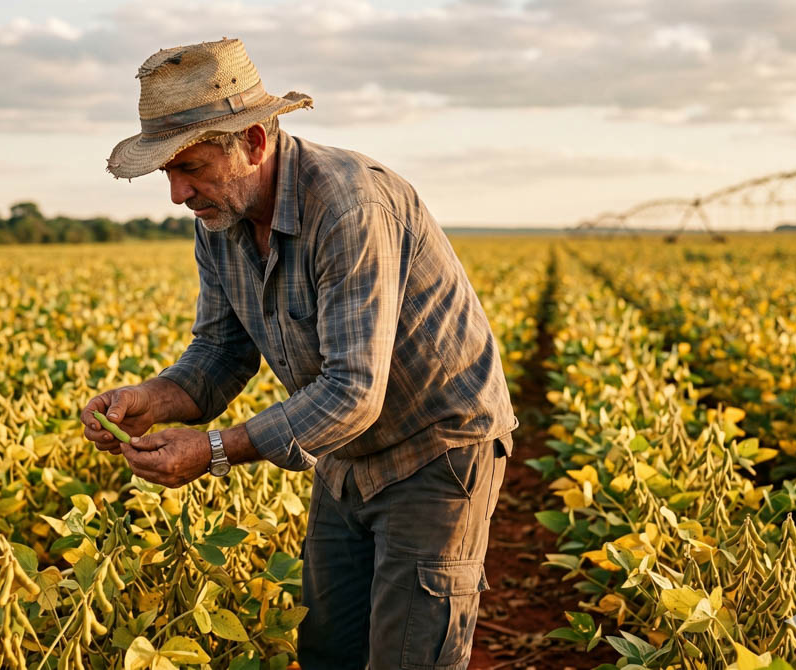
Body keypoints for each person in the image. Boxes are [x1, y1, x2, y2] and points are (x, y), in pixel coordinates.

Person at [80, 37, 518, 670]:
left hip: (436, 451)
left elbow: (352, 391)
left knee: (410, 654)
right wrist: (151, 399)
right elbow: (220, 354)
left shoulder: (349, 207)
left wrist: (215, 450)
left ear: (255, 141)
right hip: (341, 454)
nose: (177, 194)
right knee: (328, 648)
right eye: (167, 173)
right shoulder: (220, 222)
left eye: (191, 167)